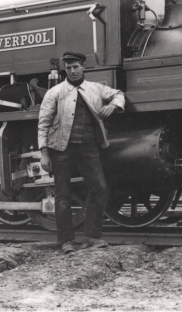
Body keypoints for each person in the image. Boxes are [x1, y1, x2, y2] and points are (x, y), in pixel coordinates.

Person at [38, 51, 125, 254]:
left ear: (83, 67)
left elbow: (119, 94)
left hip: (88, 148)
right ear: (65, 70)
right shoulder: (55, 92)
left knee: (100, 188)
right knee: (62, 195)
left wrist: (113, 105)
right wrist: (44, 152)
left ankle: (92, 237)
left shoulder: (95, 89)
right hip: (61, 149)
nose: (72, 71)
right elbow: (43, 124)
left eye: (76, 66)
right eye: (68, 68)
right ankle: (66, 241)